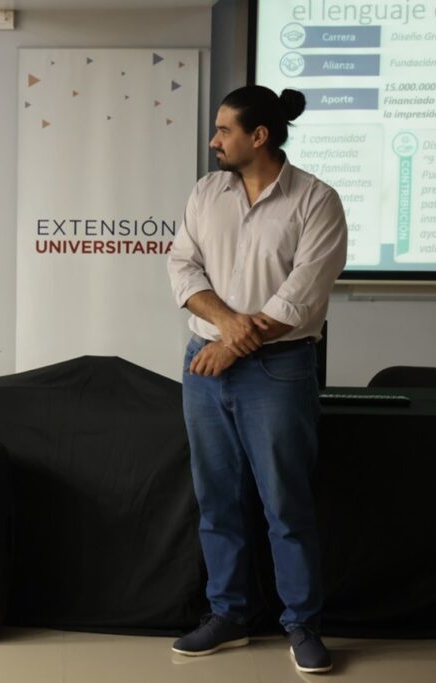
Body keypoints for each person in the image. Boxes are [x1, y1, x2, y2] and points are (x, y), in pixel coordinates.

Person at [166, 85, 347, 674]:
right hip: (205, 364)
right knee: (216, 501)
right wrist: (224, 329)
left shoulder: (316, 201)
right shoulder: (206, 192)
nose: (213, 141)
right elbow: (182, 265)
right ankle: (229, 616)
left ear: (259, 136)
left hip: (279, 368)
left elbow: (302, 294)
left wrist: (233, 345)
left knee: (285, 503)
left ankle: (302, 625)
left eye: (224, 130)